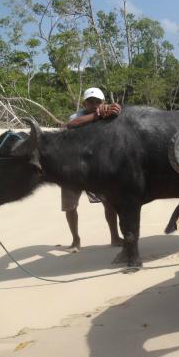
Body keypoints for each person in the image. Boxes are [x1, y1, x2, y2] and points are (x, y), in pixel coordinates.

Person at [61, 87, 123, 252]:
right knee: (70, 207)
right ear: (84, 103)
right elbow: (69, 125)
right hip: (72, 166)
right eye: (91, 102)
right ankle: (75, 240)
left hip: (95, 167)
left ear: (103, 102)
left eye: (98, 102)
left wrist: (115, 110)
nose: (94, 104)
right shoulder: (78, 116)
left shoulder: (107, 114)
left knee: (108, 203)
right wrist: (97, 115)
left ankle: (115, 237)